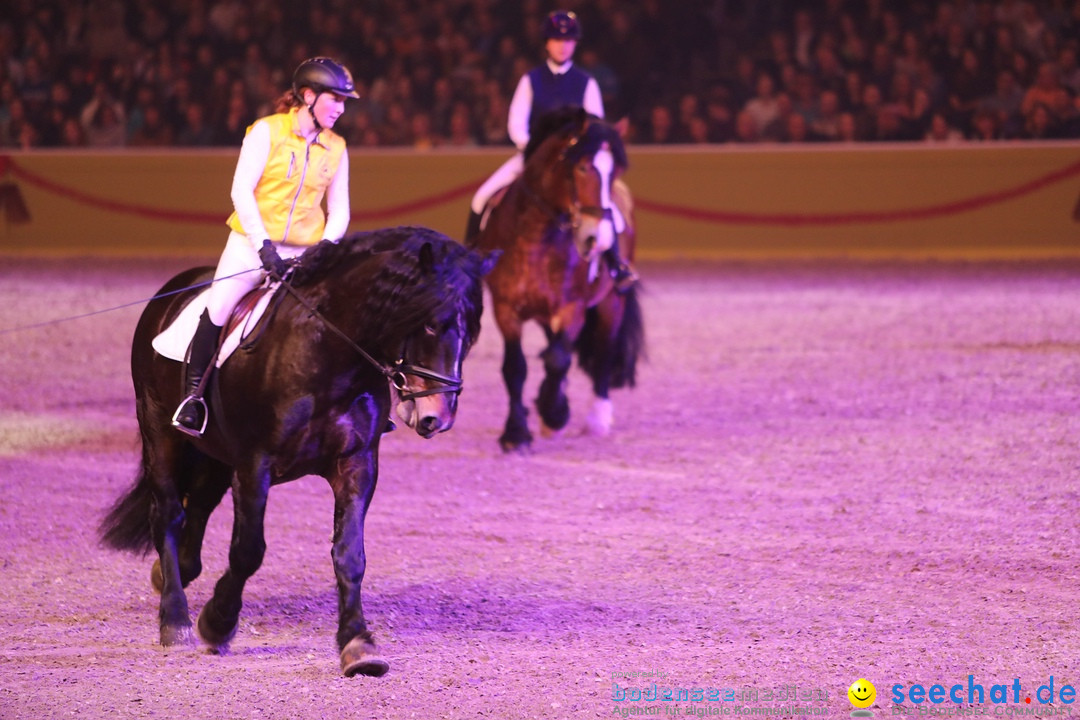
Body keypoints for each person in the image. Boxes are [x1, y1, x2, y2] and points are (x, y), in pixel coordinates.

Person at [172, 57, 358, 436]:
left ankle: (355, 398)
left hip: (306, 254)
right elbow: (241, 191)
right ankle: (194, 398)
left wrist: (323, 247)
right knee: (219, 308)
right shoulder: (266, 132)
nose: (340, 108)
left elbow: (340, 210)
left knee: (344, 313)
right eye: (334, 99)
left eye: (344, 101)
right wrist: (263, 248)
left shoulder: (337, 147)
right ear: (308, 95)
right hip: (251, 245)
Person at [464, 10, 637, 291]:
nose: (562, 45)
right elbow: (516, 124)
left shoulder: (586, 83)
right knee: (481, 197)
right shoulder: (530, 80)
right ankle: (470, 262)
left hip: (575, 162)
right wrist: (534, 150)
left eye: (568, 40)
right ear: (547, 43)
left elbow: (593, 127)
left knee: (610, 211)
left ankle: (615, 263)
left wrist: (581, 152)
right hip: (534, 158)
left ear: (575, 44)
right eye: (557, 39)